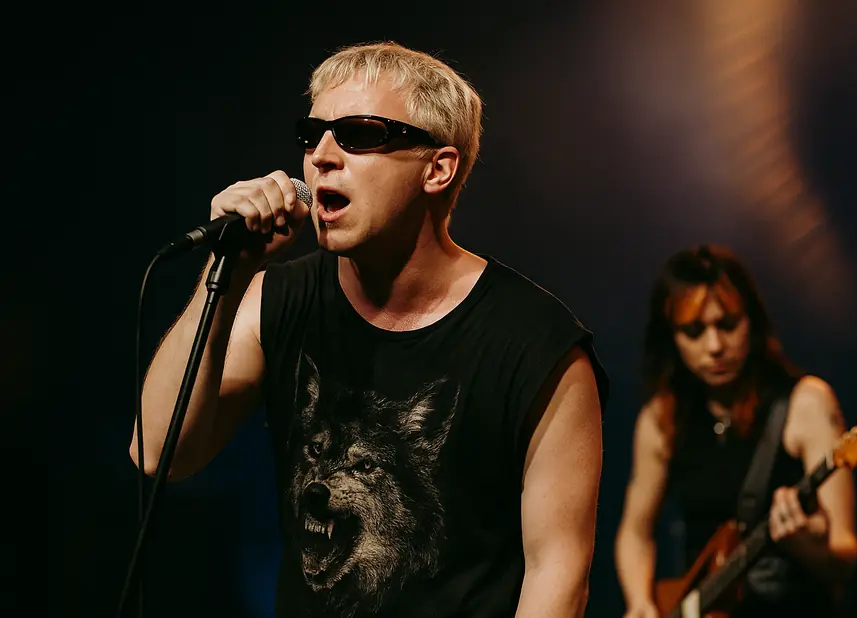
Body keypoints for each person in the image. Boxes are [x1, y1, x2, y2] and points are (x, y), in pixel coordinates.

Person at [131, 41, 607, 618]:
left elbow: (558, 577)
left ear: (438, 168)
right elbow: (158, 452)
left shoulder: (536, 345)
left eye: (358, 134)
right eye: (313, 134)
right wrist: (226, 273)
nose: (322, 156)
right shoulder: (277, 299)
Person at [614, 245, 857, 618]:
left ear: (753, 321)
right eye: (694, 331)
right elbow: (635, 532)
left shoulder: (806, 402)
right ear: (671, 337)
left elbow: (844, 555)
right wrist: (640, 602)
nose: (714, 346)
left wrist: (804, 541)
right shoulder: (662, 418)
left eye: (728, 325)